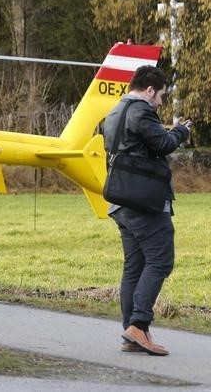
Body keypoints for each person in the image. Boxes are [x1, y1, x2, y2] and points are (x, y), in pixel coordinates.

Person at [102, 65, 191, 356]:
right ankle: (139, 324)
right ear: (150, 90)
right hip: (143, 202)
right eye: (161, 95)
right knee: (161, 261)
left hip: (120, 201)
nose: (161, 102)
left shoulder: (115, 111)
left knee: (134, 266)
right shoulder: (140, 111)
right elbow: (163, 143)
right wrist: (181, 131)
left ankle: (132, 334)